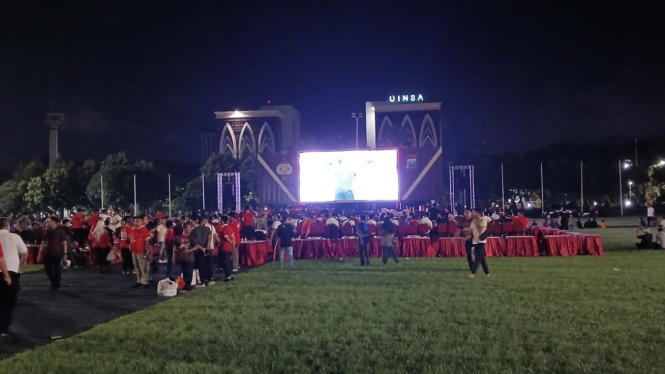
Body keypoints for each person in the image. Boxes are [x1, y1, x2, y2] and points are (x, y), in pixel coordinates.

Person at [0, 217, 28, 337]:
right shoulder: (13, 237)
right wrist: (22, 261)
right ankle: (3, 328)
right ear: (7, 226)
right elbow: (24, 252)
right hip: (10, 271)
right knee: (9, 301)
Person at [37, 217, 68, 290]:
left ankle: (56, 284)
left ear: (54, 222)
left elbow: (64, 242)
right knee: (47, 268)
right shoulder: (47, 231)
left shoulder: (60, 231)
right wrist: (40, 253)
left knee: (57, 268)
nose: (48, 222)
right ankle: (54, 282)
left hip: (57, 252)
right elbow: (43, 242)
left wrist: (65, 254)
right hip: (48, 252)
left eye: (49, 221)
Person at [190, 217, 213, 287]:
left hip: (199, 250)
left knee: (201, 266)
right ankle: (209, 279)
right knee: (208, 264)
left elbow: (195, 242)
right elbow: (209, 237)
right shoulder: (207, 229)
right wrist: (208, 246)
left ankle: (202, 281)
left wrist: (202, 248)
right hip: (207, 248)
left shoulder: (194, 231)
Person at [468, 209, 490, 279]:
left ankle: (473, 273)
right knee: (481, 258)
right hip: (475, 240)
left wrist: (477, 222)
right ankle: (487, 273)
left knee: (478, 257)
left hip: (481, 241)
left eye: (474, 212)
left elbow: (481, 230)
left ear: (478, 213)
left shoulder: (483, 220)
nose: (473, 213)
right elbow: (471, 230)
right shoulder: (473, 221)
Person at [174, 223, 195, 293]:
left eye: (190, 228)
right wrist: (174, 257)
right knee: (184, 271)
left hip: (190, 257)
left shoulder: (192, 237)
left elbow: (197, 245)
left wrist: (190, 250)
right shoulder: (178, 237)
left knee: (189, 271)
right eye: (188, 228)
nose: (190, 229)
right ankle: (185, 284)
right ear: (184, 228)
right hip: (181, 257)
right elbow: (175, 247)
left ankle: (188, 286)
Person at [131, 217, 151, 288]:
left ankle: (144, 281)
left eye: (138, 221)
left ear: (141, 222)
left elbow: (147, 241)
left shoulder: (144, 230)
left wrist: (146, 251)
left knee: (143, 267)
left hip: (141, 251)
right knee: (136, 266)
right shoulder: (133, 229)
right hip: (134, 251)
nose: (136, 222)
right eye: (135, 221)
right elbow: (132, 238)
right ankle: (139, 280)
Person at [218, 215, 235, 281]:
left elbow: (226, 237)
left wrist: (230, 242)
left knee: (225, 262)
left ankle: (228, 275)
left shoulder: (223, 228)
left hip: (225, 247)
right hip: (229, 247)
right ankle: (231, 274)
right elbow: (233, 236)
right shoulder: (230, 227)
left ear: (222, 221)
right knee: (229, 261)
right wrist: (233, 244)